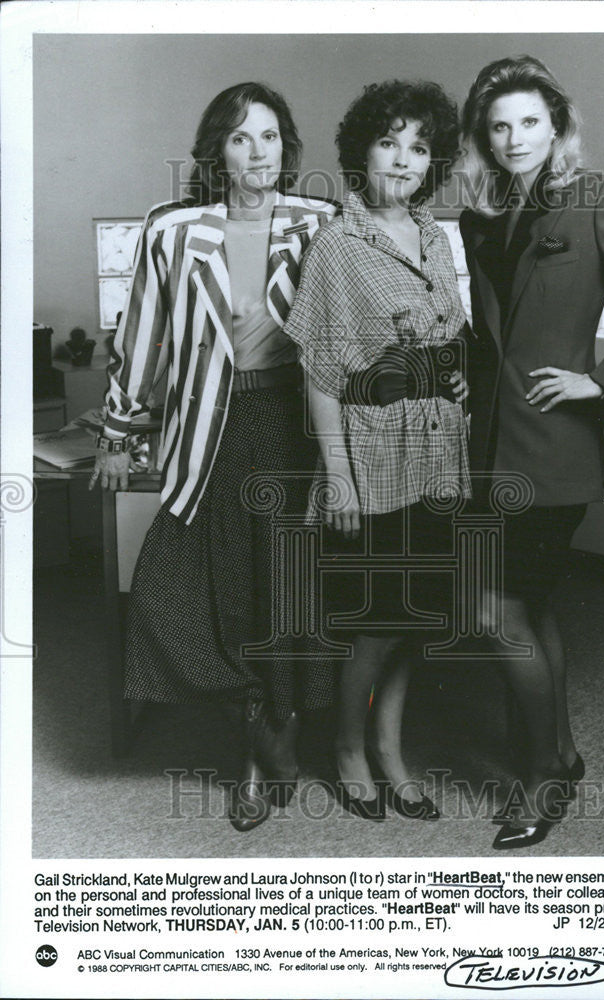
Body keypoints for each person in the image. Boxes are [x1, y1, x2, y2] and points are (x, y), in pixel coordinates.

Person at [458, 55, 604, 848]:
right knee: (529, 606)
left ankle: (539, 783)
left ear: (556, 125)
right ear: (482, 139)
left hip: (553, 447)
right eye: (497, 126)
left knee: (496, 613)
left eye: (528, 121)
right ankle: (559, 754)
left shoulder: (594, 200)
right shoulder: (481, 216)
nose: (513, 138)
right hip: (486, 447)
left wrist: (602, 380)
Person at [90, 81, 337, 832]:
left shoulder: (323, 225)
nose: (256, 152)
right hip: (212, 433)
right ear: (217, 152)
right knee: (185, 590)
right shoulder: (172, 231)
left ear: (286, 147)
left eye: (268, 136)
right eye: (240, 138)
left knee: (287, 592)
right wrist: (118, 432)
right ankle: (259, 729)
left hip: (296, 430)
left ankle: (273, 741)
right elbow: (145, 337)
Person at [284, 80, 470, 821]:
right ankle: (349, 745)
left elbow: (449, 335)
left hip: (438, 454)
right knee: (374, 621)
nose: (402, 158)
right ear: (362, 149)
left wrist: (453, 382)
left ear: (434, 162)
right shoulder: (337, 243)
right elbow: (321, 372)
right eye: (388, 140)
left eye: (419, 146)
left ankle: (391, 749)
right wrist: (339, 481)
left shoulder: (434, 234)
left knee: (417, 615)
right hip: (371, 456)